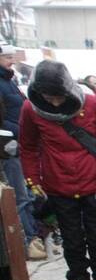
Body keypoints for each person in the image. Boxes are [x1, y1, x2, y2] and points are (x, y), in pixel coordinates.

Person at [20, 60, 96, 280]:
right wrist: (33, 180)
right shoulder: (30, 109)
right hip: (58, 187)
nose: (54, 102)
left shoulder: (89, 103)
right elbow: (28, 147)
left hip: (94, 184)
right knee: (73, 243)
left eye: (59, 96)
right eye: (48, 97)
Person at [0, 44, 44, 260]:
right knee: (19, 196)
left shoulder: (9, 81)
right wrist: (19, 132)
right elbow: (5, 117)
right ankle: (28, 241)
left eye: (11, 56)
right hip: (10, 144)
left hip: (21, 141)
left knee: (26, 193)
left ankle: (34, 236)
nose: (11, 61)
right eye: (6, 57)